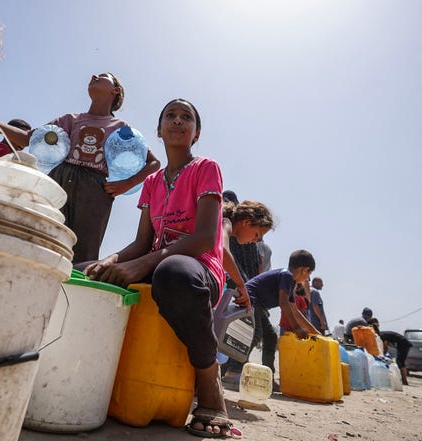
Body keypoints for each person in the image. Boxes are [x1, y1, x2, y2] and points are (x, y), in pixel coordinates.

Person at [83, 99, 238, 437]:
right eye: (170, 115)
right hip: (156, 261)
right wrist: (109, 260)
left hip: (196, 269)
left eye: (187, 117)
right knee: (82, 273)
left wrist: (146, 263)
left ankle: (209, 383)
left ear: (196, 133)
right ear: (159, 129)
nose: (178, 120)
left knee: (174, 274)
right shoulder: (153, 181)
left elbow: (204, 237)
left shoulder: (205, 168)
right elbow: (142, 242)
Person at [0, 72, 160, 263]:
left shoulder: (121, 127)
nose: (94, 75)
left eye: (103, 75)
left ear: (115, 90)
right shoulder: (70, 120)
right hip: (60, 181)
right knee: (48, 239)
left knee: (84, 249)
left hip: (95, 190)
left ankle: (75, 289)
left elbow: (153, 162)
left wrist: (126, 184)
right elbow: (28, 138)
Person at [223, 250, 320, 390]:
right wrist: (297, 328)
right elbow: (284, 303)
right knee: (254, 335)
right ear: (305, 270)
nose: (307, 279)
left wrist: (315, 331)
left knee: (270, 336)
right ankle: (233, 373)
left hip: (258, 306)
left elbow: (295, 311)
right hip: (249, 300)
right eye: (308, 275)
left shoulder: (289, 281)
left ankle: (268, 378)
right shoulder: (287, 276)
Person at [221, 200, 275, 312]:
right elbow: (223, 251)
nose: (255, 241)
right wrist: (241, 285)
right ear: (246, 222)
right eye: (257, 235)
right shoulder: (225, 223)